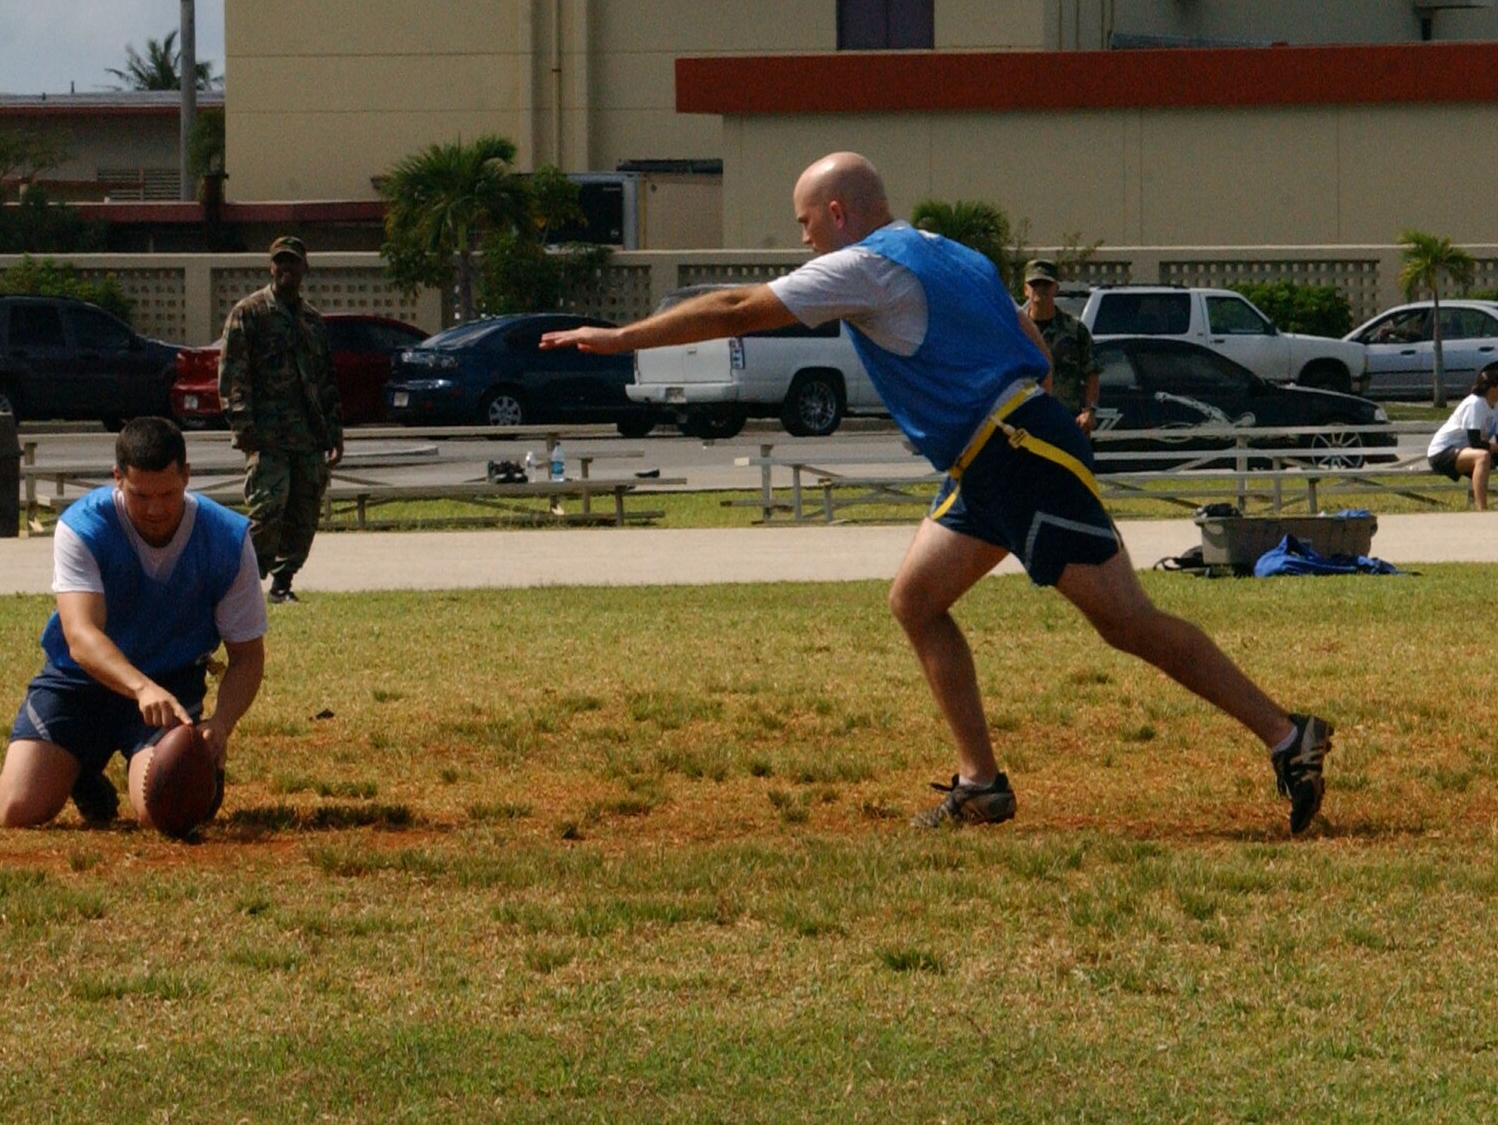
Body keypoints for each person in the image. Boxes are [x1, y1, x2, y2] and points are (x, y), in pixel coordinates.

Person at [541, 152, 1333, 834]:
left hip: (1017, 454)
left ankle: (1285, 734)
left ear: (840, 212)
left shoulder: (863, 265)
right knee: (916, 600)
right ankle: (981, 784)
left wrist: (619, 337)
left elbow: (736, 307)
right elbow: (1037, 354)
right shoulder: (949, 252)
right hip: (998, 453)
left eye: (806, 222)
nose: (804, 240)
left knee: (1131, 625)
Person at [0, 417, 267, 830]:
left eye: (168, 494)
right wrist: (140, 688)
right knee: (18, 810)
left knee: (161, 813)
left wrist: (220, 724)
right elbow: (81, 637)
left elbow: (247, 656)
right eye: (141, 495)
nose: (155, 509)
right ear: (117, 478)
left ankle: (195, 770)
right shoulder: (83, 527)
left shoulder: (227, 538)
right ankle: (81, 769)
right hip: (80, 682)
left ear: (188, 476)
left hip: (170, 685)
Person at [219, 235, 345, 603]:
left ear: (305, 268)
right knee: (266, 511)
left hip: (307, 433)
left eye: (293, 262)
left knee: (304, 511)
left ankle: (283, 583)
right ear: (271, 267)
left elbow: (325, 379)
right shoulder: (250, 313)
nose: (286, 268)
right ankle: (244, 586)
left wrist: (335, 432)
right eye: (280, 262)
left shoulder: (311, 320)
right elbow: (232, 375)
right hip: (267, 434)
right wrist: (243, 425)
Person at [1428, 367, 1498, 509]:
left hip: (1469, 450)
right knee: (1482, 456)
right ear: (1492, 388)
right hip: (1442, 453)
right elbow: (1476, 443)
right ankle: (1482, 509)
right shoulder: (1475, 403)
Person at [1020, 259, 1099, 438]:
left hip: (1067, 422)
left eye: (1046, 284)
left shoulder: (1075, 330)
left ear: (1056, 288)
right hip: (1026, 425)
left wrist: (1089, 411)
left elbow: (1092, 373)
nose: (1040, 289)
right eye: (1035, 284)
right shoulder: (1015, 331)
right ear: (1025, 290)